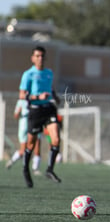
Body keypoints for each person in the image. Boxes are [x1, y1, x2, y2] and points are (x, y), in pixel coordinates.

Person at [19, 45, 62, 188]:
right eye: (37, 56)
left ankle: (49, 169)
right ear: (32, 58)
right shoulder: (28, 74)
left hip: (49, 109)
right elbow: (22, 95)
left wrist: (55, 96)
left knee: (55, 139)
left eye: (42, 56)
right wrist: (37, 96)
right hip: (35, 111)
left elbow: (50, 88)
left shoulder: (49, 73)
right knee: (30, 144)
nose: (40, 58)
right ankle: (26, 169)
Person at [5, 99, 42, 175]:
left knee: (37, 146)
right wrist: (19, 111)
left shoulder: (37, 99)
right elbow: (16, 115)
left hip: (35, 125)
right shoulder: (21, 102)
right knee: (23, 150)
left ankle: (35, 168)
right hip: (24, 128)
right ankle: (12, 160)